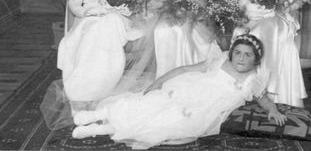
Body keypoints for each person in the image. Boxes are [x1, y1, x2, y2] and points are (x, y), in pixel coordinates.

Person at [70, 34, 287, 150]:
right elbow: (185, 69)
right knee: (148, 104)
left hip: (204, 110)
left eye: (247, 55)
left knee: (164, 122)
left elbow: (263, 98)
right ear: (230, 54)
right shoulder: (219, 61)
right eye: (237, 53)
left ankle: (97, 130)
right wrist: (159, 81)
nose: (240, 58)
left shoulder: (254, 79)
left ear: (256, 60)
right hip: (186, 90)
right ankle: (96, 116)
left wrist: (273, 110)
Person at [41, 0, 154, 130]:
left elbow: (140, 6)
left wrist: (123, 6)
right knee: (93, 30)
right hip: (90, 19)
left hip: (123, 21)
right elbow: (75, 4)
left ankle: (90, 99)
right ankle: (86, 100)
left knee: (109, 24)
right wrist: (91, 11)